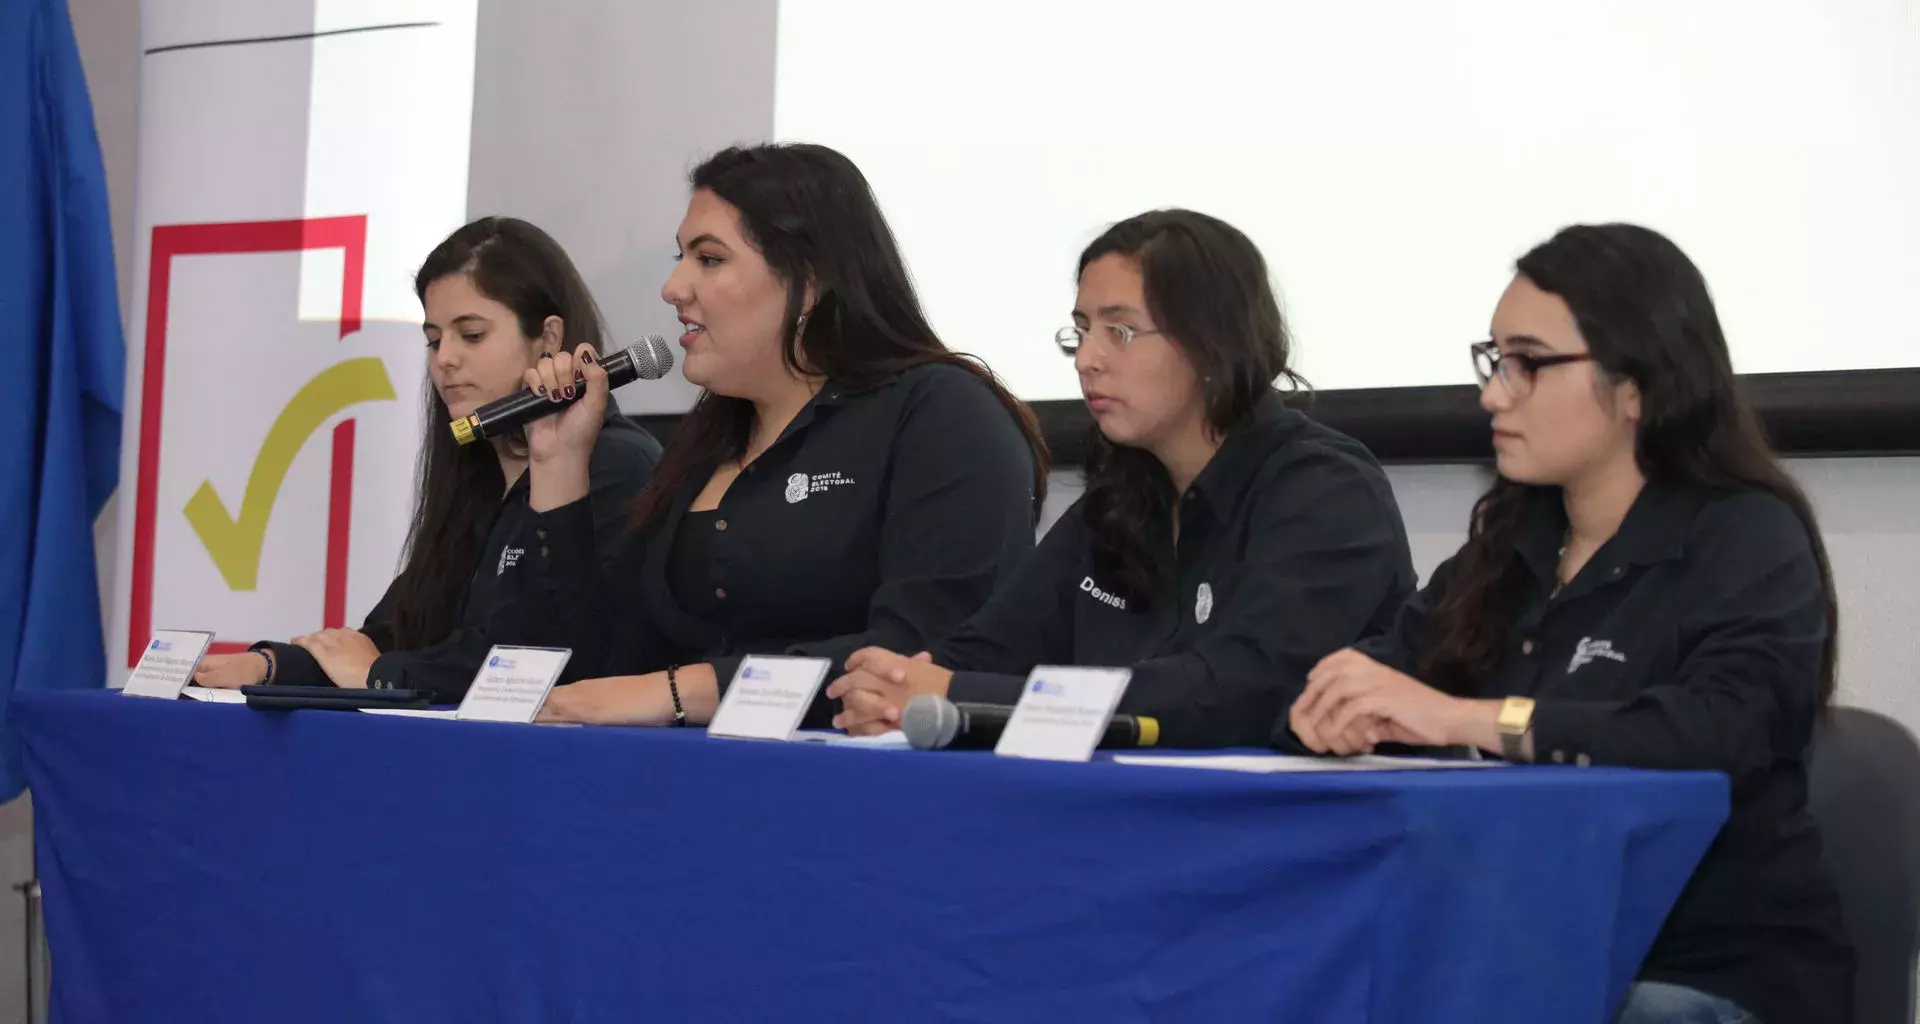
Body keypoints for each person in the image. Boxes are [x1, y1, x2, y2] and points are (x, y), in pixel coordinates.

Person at [1286, 224, 1853, 1023]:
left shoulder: (1746, 535)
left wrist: (1468, 718)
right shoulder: (1507, 545)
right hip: (1510, 957)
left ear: (1636, 385)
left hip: (1699, 975)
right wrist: (1339, 711)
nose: (1493, 393)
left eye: (1528, 363)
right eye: (1493, 361)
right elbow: (1394, 672)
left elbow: (1718, 730)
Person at [826, 209, 1415, 748]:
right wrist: (896, 683)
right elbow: (991, 649)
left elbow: (1236, 691)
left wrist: (956, 694)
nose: (1087, 359)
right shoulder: (1120, 500)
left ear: (1213, 342)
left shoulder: (1326, 493)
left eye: (1120, 331)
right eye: (1080, 331)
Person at [513, 143, 1049, 726]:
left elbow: (925, 652)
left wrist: (684, 691)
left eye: (709, 259)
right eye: (680, 257)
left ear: (810, 281)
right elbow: (593, 672)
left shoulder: (942, 412)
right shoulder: (707, 443)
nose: (673, 288)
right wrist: (559, 462)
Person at [193, 217, 660, 702]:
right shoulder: (477, 470)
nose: (445, 359)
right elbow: (397, 630)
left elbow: (534, 659)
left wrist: (382, 675)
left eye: (472, 335)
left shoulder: (615, 465)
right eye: (434, 340)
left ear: (548, 338)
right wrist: (269, 665)